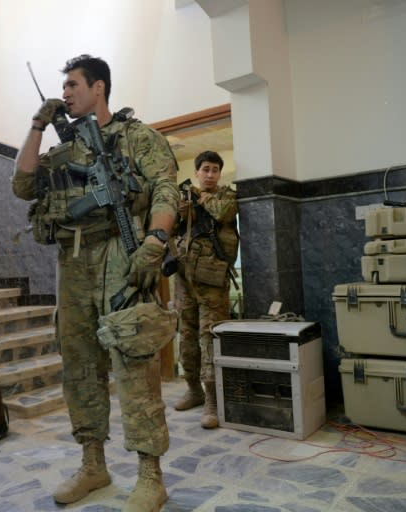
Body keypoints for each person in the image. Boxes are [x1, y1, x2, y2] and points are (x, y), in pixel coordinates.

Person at [13, 54, 179, 511]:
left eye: (72, 85)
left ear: (99, 87)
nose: (64, 93)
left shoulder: (136, 137)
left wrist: (155, 239)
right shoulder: (61, 150)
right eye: (63, 87)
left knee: (133, 359)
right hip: (72, 261)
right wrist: (36, 125)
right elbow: (23, 186)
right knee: (80, 366)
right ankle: (93, 463)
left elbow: (166, 188)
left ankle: (150, 474)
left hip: (119, 254)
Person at [172, 151, 238, 429]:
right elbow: (170, 228)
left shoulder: (227, 196)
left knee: (210, 337)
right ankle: (194, 389)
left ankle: (212, 397)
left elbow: (223, 213)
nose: (210, 174)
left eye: (215, 170)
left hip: (212, 280)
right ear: (197, 172)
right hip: (184, 279)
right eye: (205, 170)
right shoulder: (183, 198)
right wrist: (181, 212)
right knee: (186, 336)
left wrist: (199, 199)